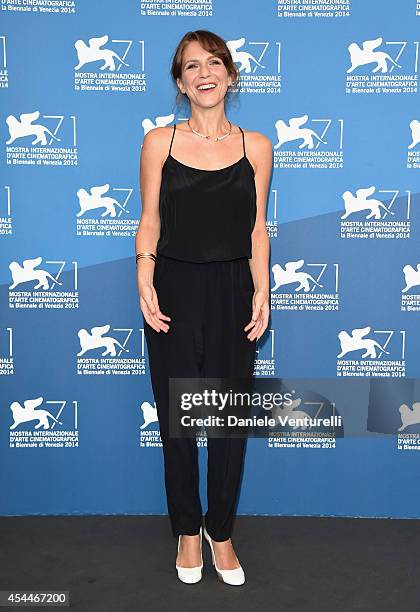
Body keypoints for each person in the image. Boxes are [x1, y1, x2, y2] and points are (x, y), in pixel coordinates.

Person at [135, 29, 272, 585]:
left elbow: (257, 228)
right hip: (174, 288)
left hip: (234, 290)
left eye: (214, 63)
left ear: (231, 75)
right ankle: (187, 533)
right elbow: (150, 221)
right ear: (180, 82)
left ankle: (222, 533)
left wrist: (263, 290)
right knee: (178, 418)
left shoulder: (256, 146)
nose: (204, 73)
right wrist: (144, 276)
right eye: (192, 66)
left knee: (228, 420)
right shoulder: (157, 144)